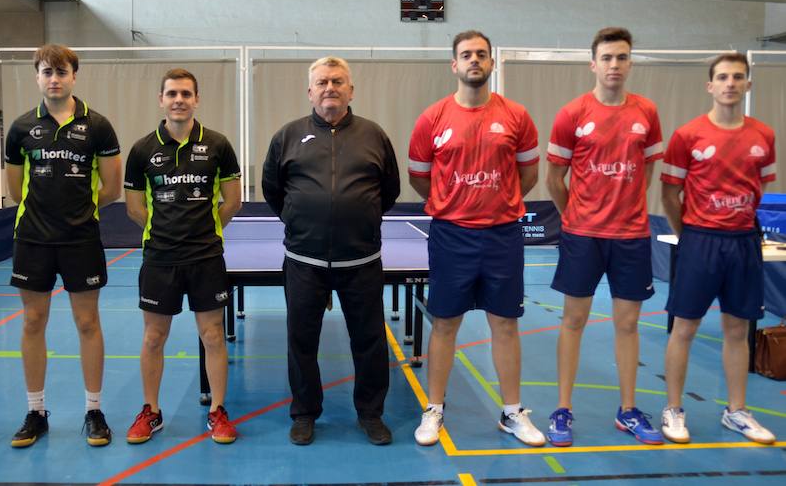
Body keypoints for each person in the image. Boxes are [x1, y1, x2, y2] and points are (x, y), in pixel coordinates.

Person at [409, 30, 544, 447]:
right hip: (451, 236)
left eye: (481, 55)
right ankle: (434, 409)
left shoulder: (517, 116)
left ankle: (511, 412)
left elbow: (529, 174)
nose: (474, 61)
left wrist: (499, 204)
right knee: (445, 323)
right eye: (466, 55)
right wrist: (453, 203)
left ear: (492, 63)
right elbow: (419, 177)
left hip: (502, 236)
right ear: (454, 64)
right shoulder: (432, 118)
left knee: (505, 324)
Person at [262, 56, 400, 445]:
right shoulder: (288, 136)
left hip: (362, 261)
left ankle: (370, 414)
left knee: (370, 341)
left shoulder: (374, 135)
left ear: (351, 90)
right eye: (322, 82)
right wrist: (300, 218)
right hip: (304, 261)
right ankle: (305, 413)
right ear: (310, 92)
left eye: (338, 81)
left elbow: (388, 191)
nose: (330, 88)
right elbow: (273, 190)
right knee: (302, 342)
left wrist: (361, 216)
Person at [545, 27, 664, 446]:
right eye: (608, 57)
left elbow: (647, 170)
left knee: (627, 325)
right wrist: (574, 215)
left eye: (622, 57)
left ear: (630, 63)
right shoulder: (572, 113)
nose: (615, 65)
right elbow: (553, 178)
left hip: (631, 236)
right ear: (593, 63)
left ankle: (628, 410)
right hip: (583, 236)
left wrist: (626, 204)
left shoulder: (646, 112)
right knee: (573, 321)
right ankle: (563, 409)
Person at [4, 44, 122, 447]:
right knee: (33, 322)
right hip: (33, 240)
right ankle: (35, 412)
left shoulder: (99, 126)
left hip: (81, 239)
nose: (53, 78)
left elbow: (111, 188)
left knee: (87, 324)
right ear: (36, 77)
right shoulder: (20, 127)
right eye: (45, 71)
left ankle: (94, 409)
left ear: (74, 75)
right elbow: (15, 190)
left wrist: (78, 212)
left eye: (61, 71)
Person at [660, 53, 777, 445]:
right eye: (723, 77)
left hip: (743, 242)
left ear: (747, 85)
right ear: (710, 86)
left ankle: (737, 411)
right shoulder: (688, 135)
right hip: (700, 242)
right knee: (684, 327)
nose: (730, 83)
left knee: (737, 328)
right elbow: (669, 192)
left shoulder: (764, 136)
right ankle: (674, 408)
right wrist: (691, 233)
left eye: (738, 77)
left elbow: (760, 186)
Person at [123, 68, 243, 444]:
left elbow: (233, 201)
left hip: (206, 256)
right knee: (154, 338)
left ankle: (217, 411)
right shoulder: (143, 149)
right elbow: (133, 207)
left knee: (212, 336)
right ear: (161, 99)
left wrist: (204, 230)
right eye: (172, 93)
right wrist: (164, 232)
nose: (179, 100)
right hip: (159, 258)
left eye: (186, 94)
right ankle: (151, 411)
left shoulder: (219, 144)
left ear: (196, 99)